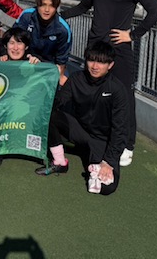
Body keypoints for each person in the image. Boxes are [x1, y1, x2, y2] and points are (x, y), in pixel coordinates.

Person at [61, 0, 157, 166]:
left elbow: (156, 11)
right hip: (94, 48)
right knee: (93, 94)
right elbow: (83, 6)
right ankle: (95, 138)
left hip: (119, 50)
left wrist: (133, 35)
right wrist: (59, 16)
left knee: (124, 96)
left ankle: (127, 145)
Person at [35, 41, 128, 195]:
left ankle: (93, 160)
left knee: (106, 188)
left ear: (110, 65)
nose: (95, 66)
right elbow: (58, 101)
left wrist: (108, 162)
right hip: (80, 131)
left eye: (101, 62)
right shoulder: (76, 78)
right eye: (91, 60)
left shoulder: (117, 90)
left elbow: (120, 129)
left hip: (102, 140)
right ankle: (60, 162)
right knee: (49, 113)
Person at [0, 28, 41, 167]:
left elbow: (47, 77)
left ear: (26, 46)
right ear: (5, 46)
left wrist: (38, 65)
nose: (15, 48)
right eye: (11, 43)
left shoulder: (34, 63)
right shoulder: (0, 62)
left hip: (26, 106)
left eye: (19, 43)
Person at [13, 0, 71, 82]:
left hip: (49, 65)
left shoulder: (63, 29)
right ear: (38, 4)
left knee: (64, 81)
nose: (47, 10)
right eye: (43, 5)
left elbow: (61, 60)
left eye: (51, 6)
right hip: (26, 60)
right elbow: (13, 39)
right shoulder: (26, 16)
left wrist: (59, 77)